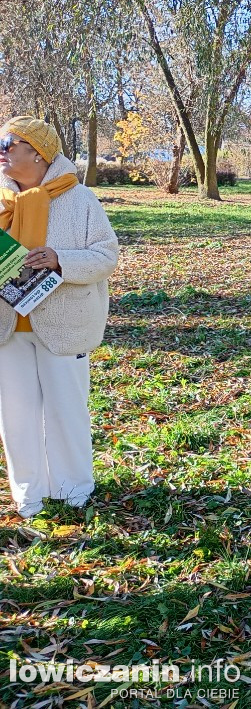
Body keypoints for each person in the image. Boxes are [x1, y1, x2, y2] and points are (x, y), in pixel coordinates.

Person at [0, 116, 118, 518]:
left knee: (67, 409)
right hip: (8, 328)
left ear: (37, 152)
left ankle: (73, 489)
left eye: (8, 143)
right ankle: (28, 495)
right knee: (15, 415)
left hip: (65, 326)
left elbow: (106, 256)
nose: (2, 151)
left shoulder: (79, 199)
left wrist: (59, 260)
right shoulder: (0, 200)